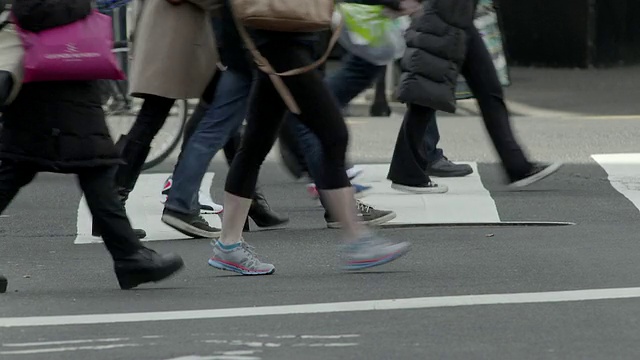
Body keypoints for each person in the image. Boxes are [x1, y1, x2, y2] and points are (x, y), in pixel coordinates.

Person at [206, 0, 411, 275]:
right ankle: (356, 241)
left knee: (255, 143)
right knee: (333, 135)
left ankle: (228, 245)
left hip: (273, 35)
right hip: (281, 41)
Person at [0, 0, 184, 293]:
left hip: (58, 80)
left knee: (71, 167)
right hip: (50, 81)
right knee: (93, 167)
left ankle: (130, 258)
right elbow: (30, 9)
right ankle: (130, 258)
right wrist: (83, 6)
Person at [390, 0, 561, 193]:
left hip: (459, 16)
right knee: (427, 93)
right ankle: (406, 172)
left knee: (488, 91)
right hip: (443, 15)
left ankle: (517, 166)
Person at [96, 0, 221, 238]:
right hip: (174, 38)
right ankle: (180, 204)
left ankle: (110, 211)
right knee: (212, 111)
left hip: (171, 35)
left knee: (159, 117)